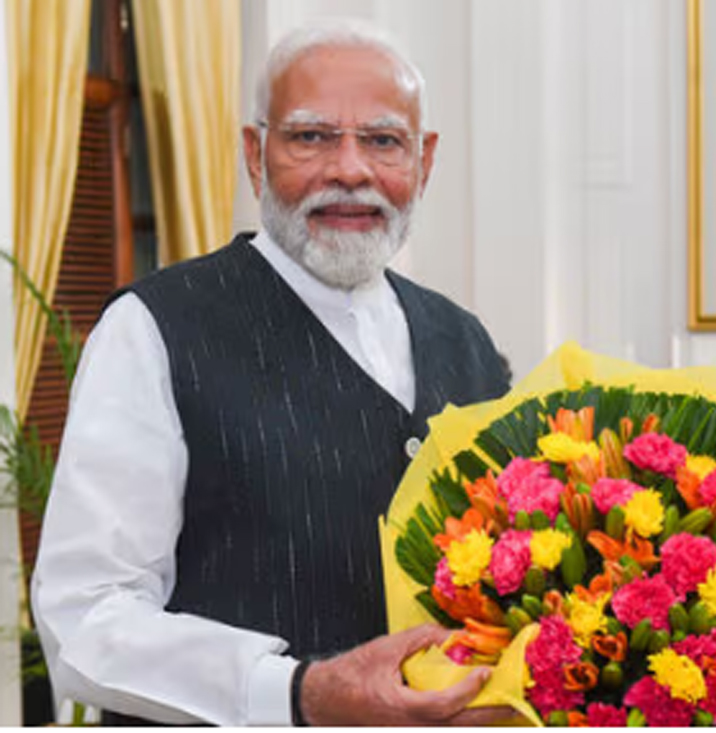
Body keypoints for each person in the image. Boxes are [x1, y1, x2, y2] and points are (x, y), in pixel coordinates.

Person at [31, 22, 512, 726]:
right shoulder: (154, 328)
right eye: (311, 137)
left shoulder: (466, 340)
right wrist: (298, 692)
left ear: (424, 159)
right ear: (256, 155)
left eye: (382, 141)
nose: (350, 169)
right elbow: (85, 620)